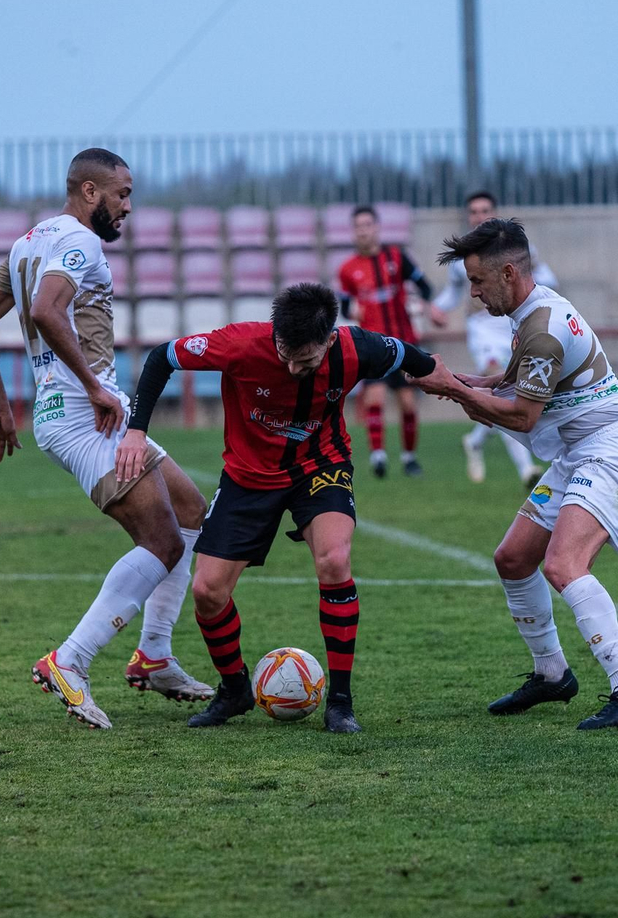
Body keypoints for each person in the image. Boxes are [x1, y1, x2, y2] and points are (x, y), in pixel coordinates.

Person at [0, 147, 213, 731]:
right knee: (162, 542)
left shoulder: (28, 243)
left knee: (190, 512)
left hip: (74, 411)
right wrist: (95, 386)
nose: (128, 207)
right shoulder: (81, 241)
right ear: (90, 191)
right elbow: (47, 311)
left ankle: (154, 655)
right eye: (122, 194)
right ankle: (69, 660)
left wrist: (0, 404)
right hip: (85, 415)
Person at [115, 282, 438, 734]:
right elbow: (161, 358)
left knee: (335, 560)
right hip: (248, 477)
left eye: (305, 360)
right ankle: (235, 689)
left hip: (320, 468)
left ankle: (340, 703)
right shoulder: (240, 344)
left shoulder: (357, 347)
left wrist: (463, 390)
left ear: (330, 340)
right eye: (285, 353)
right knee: (207, 591)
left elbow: (416, 360)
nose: (291, 367)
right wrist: (136, 431)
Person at [413, 218, 618, 730]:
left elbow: (523, 416)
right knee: (512, 558)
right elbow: (514, 382)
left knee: (564, 564)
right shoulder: (531, 310)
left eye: (477, 281)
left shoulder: (542, 329)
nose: (473, 293)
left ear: (508, 273)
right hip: (579, 453)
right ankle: (552, 674)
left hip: (612, 452)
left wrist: (454, 390)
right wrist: (462, 381)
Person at [432, 190, 559, 488]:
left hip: (513, 324)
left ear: (494, 213)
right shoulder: (463, 257)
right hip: (483, 329)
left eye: (484, 210)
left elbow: (546, 278)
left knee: (513, 389)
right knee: (505, 390)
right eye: (473, 211)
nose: (479, 216)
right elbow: (454, 292)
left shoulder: (517, 248)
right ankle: (526, 469)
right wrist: (438, 308)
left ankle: (476, 440)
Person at [335, 205, 447, 477]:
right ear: (353, 231)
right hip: (372, 344)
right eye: (358, 226)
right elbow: (345, 305)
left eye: (367, 225)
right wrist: (353, 311)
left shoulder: (397, 257)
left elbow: (425, 286)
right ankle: (378, 457)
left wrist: (429, 307)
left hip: (405, 341)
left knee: (408, 402)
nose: (363, 231)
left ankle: (409, 458)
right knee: (375, 399)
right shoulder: (348, 269)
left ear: (376, 228)